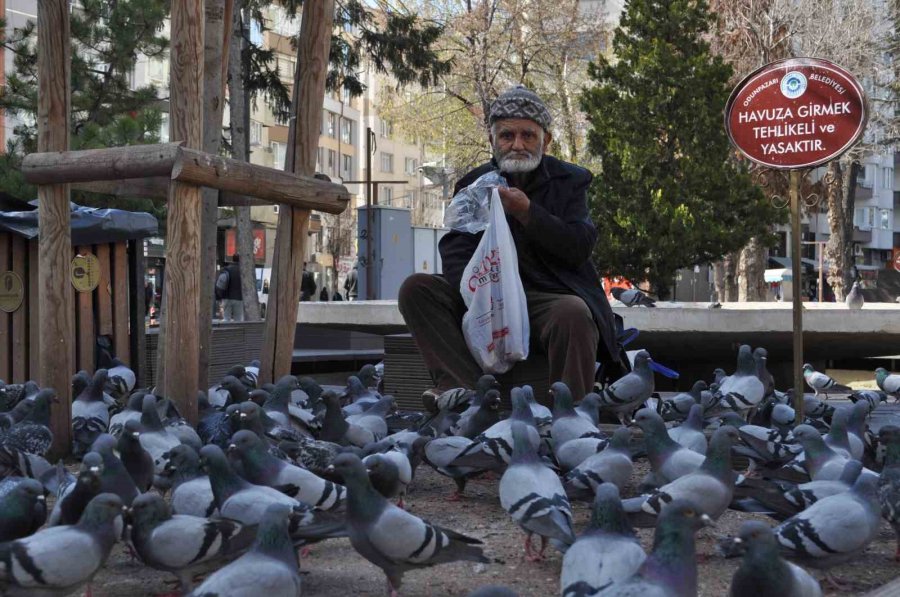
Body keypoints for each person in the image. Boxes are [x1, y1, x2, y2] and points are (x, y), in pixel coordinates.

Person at [398, 85, 626, 407]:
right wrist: (483, 290)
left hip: (545, 295)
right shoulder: (474, 184)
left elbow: (579, 245)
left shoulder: (569, 181)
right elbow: (455, 249)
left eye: (527, 136)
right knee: (416, 288)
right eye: (507, 136)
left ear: (545, 141)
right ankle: (465, 394)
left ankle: (570, 413)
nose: (517, 145)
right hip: (487, 295)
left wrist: (528, 213)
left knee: (573, 313)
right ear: (493, 140)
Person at [217, 254, 243, 322]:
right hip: (239, 299)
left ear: (232, 259)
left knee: (226, 319)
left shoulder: (227, 269)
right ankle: (237, 332)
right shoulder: (243, 271)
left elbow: (220, 284)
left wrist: (220, 296)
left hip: (227, 298)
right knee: (238, 319)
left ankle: (226, 331)